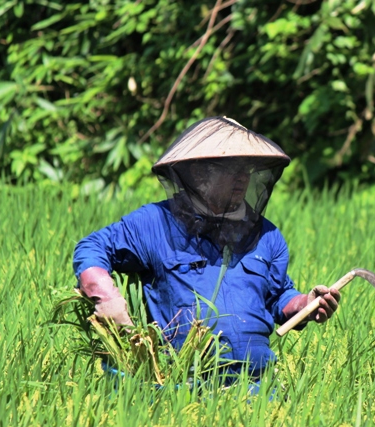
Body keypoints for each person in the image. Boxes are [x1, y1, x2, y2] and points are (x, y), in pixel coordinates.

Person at [73, 116, 341, 382]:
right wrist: (106, 298)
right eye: (229, 169)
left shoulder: (267, 235)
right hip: (181, 387)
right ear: (198, 174)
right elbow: (92, 247)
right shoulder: (155, 223)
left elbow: (278, 296)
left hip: (258, 389)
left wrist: (305, 303)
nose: (241, 178)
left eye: (246, 169)